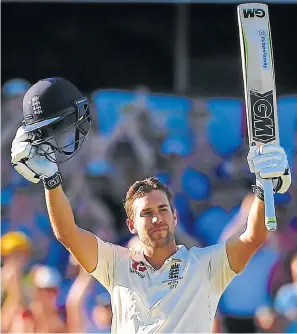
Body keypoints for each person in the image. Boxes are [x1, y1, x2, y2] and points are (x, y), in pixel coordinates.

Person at [11, 77, 292, 333]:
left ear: (175, 217)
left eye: (162, 210)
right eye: (146, 213)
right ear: (131, 225)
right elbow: (68, 234)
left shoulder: (205, 265)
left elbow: (253, 236)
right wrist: (51, 179)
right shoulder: (116, 264)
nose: (157, 218)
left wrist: (263, 188)